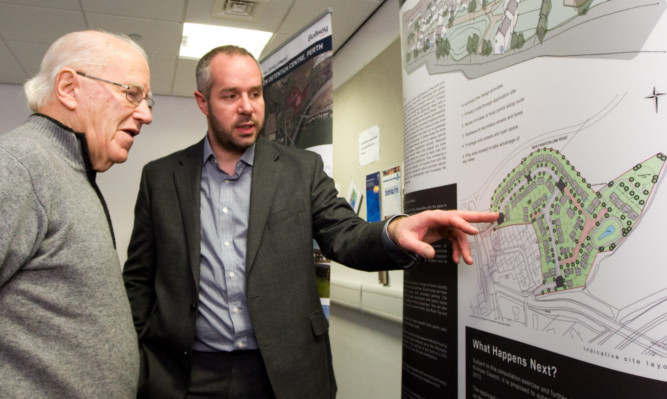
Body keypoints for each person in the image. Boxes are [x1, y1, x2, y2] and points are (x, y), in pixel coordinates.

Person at [122, 45, 498, 399]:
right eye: (231, 95)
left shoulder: (300, 170)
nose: (247, 108)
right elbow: (139, 279)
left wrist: (396, 231)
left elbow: (345, 235)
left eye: (255, 94)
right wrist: (135, 360)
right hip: (186, 376)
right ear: (203, 102)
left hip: (284, 373)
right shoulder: (161, 177)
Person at [0, 30, 153, 398]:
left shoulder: (69, 169)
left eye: (147, 100)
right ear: (69, 88)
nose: (146, 114)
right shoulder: (18, 166)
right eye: (132, 93)